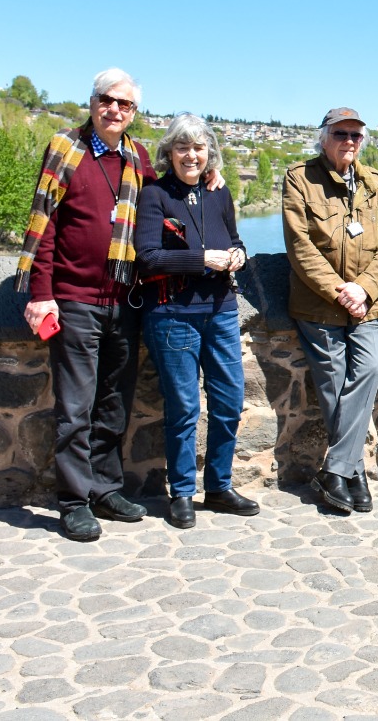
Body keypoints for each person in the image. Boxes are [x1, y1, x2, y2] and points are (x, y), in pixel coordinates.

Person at [18, 69, 156, 542]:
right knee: (75, 409)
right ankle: (74, 501)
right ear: (92, 102)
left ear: (134, 112)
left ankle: (105, 489)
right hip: (75, 300)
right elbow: (45, 225)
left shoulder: (138, 157)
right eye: (107, 100)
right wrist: (42, 293)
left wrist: (209, 174)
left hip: (125, 300)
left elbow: (164, 201)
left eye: (125, 104)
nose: (115, 110)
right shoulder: (66, 149)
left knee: (114, 404)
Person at [135, 114, 259, 528]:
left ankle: (219, 487)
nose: (191, 155)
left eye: (199, 147)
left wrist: (238, 255)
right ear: (169, 152)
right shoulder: (154, 195)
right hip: (173, 315)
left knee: (229, 403)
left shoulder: (219, 193)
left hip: (221, 311)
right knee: (184, 407)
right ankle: (183, 493)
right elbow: (147, 257)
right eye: (183, 147)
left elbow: (235, 240)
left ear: (210, 153)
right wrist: (201, 259)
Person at [283, 107, 378, 514]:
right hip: (319, 305)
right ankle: (353, 473)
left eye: (356, 135)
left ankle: (335, 470)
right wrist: (340, 291)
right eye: (341, 134)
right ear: (324, 137)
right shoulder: (300, 179)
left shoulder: (377, 186)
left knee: (369, 368)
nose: (349, 141)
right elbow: (299, 245)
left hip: (370, 302)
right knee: (333, 383)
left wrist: (363, 288)